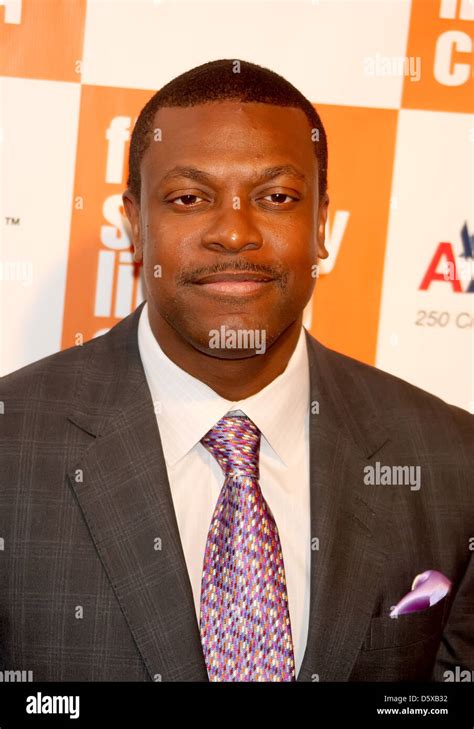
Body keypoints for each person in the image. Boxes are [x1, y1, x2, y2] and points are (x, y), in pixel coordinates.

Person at [0, 59, 472, 682]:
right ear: (134, 226)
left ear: (320, 224)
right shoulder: (12, 446)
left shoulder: (450, 463)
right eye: (189, 198)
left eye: (276, 197)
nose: (233, 232)